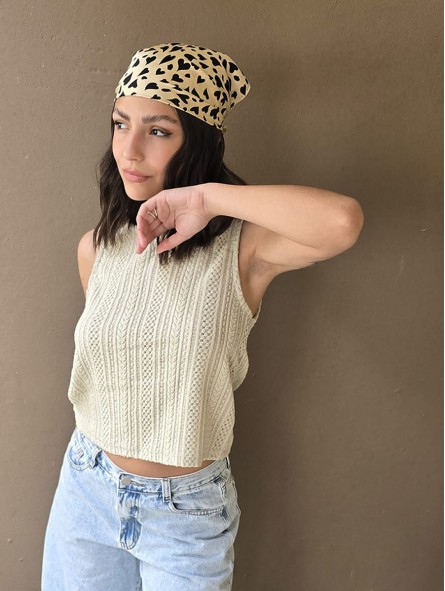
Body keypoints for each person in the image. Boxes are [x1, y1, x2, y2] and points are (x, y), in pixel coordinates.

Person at [41, 42, 364, 590]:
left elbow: (341, 222)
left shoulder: (243, 249)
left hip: (184, 515)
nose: (129, 150)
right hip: (86, 490)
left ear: (197, 142)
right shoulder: (97, 248)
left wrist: (209, 199)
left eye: (158, 130)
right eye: (121, 124)